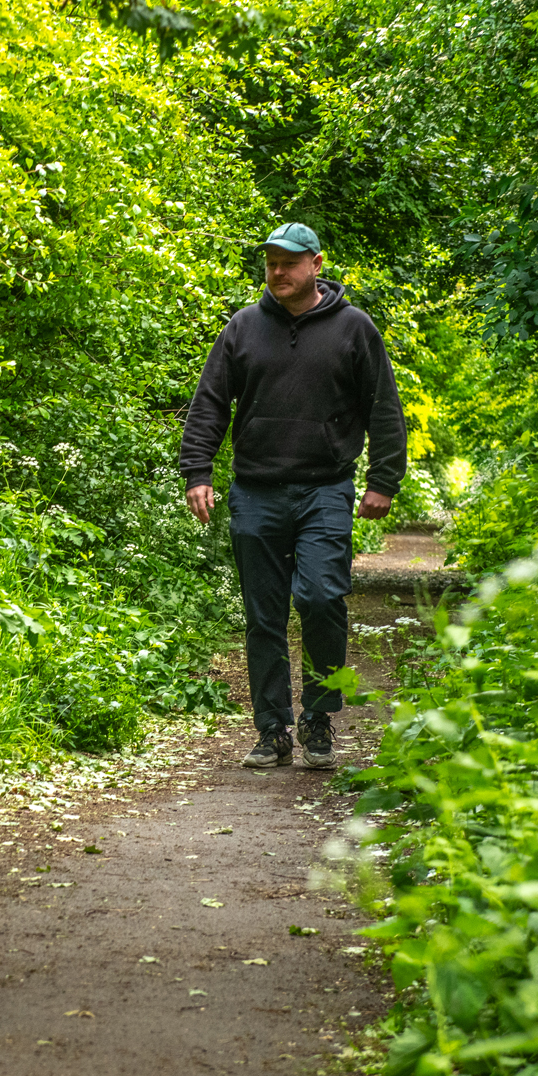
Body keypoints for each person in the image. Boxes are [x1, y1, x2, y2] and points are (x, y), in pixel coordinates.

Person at [180, 223, 407, 771]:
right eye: (271, 263)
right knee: (263, 614)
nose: (277, 272)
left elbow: (383, 407)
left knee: (323, 597)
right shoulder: (243, 328)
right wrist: (198, 471)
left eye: (288, 262)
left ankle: (319, 716)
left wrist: (383, 480)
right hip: (256, 490)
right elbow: (210, 402)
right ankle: (272, 727)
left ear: (316, 264)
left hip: (325, 488)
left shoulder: (355, 329)